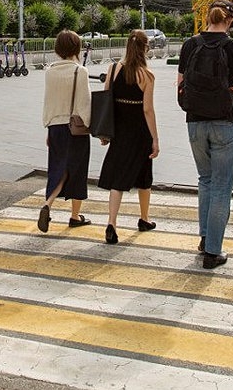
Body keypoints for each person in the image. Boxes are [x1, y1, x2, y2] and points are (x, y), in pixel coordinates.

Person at [178, 0, 233, 270]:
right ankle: (213, 251)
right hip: (225, 123)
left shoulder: (190, 45)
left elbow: (180, 85)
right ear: (230, 21)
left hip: (194, 122)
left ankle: (205, 237)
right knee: (222, 185)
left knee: (205, 180)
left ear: (207, 17)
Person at [97, 30, 160, 245]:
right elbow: (148, 110)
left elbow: (106, 101)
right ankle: (144, 218)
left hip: (119, 131)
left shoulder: (113, 69)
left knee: (118, 179)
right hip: (140, 133)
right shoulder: (147, 75)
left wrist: (104, 132)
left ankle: (111, 224)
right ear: (144, 49)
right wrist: (155, 139)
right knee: (144, 177)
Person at [38, 30, 93, 232]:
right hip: (74, 128)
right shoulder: (80, 71)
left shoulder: (50, 70)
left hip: (54, 127)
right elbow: (84, 103)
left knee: (57, 168)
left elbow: (49, 101)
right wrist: (90, 125)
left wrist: (49, 127)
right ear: (76, 48)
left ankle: (48, 203)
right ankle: (74, 215)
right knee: (76, 171)